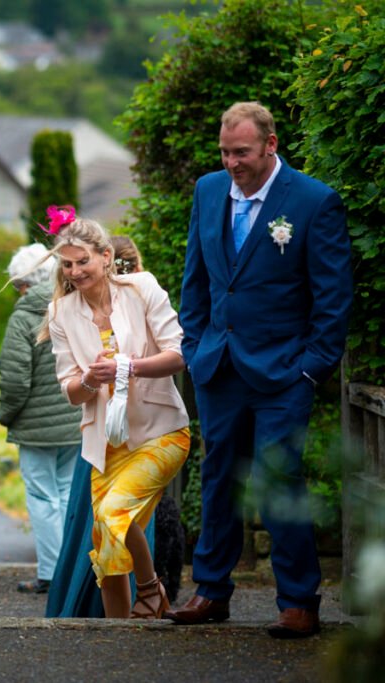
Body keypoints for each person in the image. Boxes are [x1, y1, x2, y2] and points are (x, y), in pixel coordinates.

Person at [170, 101, 352, 638]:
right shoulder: (207, 191)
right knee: (219, 478)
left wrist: (311, 370)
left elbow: (332, 298)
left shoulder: (314, 201)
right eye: (225, 152)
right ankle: (209, 591)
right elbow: (197, 279)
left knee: (277, 481)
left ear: (270, 145)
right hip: (219, 368)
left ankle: (299, 601)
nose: (232, 162)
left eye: (242, 152)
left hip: (284, 375)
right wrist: (195, 342)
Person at [46, 215, 190, 619]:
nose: (74, 272)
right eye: (67, 265)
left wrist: (126, 367)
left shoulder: (141, 289)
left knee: (112, 514)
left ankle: (148, 590)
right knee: (106, 534)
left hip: (161, 433)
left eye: (83, 262)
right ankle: (118, 632)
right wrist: (90, 380)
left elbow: (179, 355)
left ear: (106, 257)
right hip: (105, 445)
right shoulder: (60, 312)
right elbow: (70, 391)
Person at [0, 243, 82, 595]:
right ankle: (68, 570)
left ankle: (50, 573)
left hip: (35, 428)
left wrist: (5, 416)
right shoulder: (75, 305)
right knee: (64, 495)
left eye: (17, 285)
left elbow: (16, 380)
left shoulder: (24, 315)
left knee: (42, 497)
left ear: (25, 283)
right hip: (75, 419)